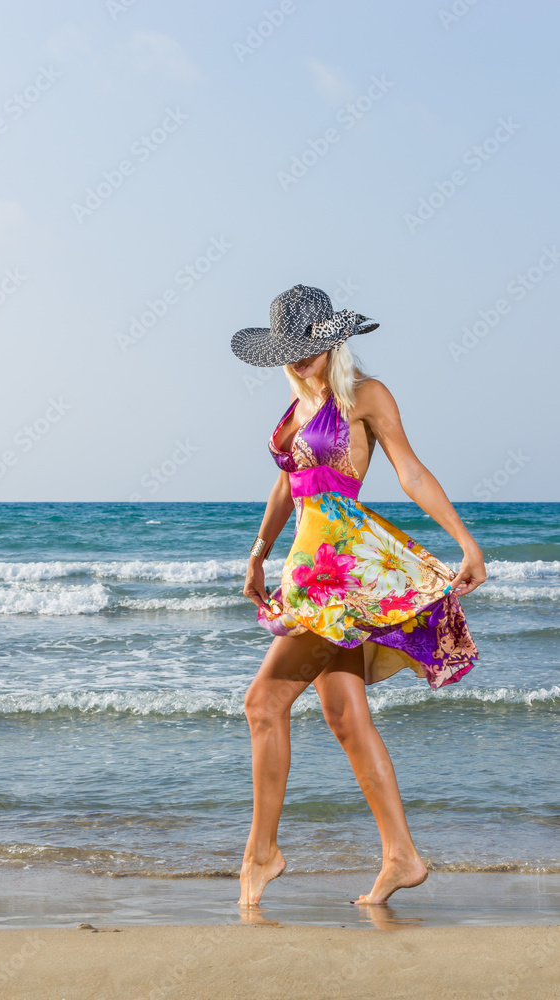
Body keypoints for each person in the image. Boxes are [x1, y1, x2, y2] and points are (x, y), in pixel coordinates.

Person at [230, 284, 486, 908]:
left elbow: (410, 471)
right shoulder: (294, 412)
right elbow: (287, 488)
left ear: (332, 341)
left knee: (263, 703)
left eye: (307, 348)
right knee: (345, 717)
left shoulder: (364, 396)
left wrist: (465, 543)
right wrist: (260, 553)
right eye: (286, 352)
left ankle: (262, 854)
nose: (297, 360)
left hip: (343, 575)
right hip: (305, 572)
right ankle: (402, 856)